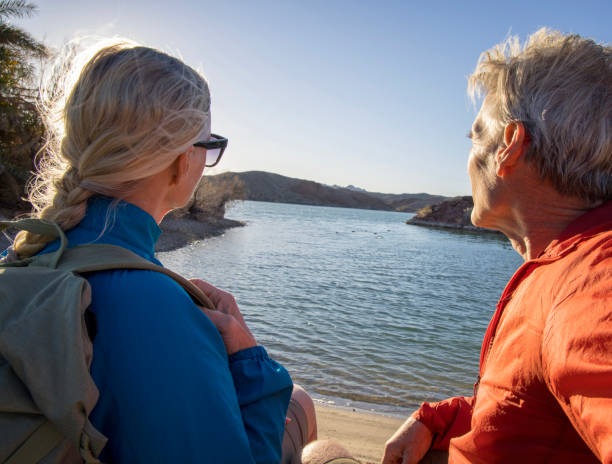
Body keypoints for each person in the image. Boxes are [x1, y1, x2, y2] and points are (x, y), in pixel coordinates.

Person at [2, 41, 308, 463]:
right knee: (303, 406)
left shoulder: (28, 253)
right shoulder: (152, 306)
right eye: (209, 145)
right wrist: (253, 364)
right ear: (181, 159)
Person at [382, 28, 612, 464]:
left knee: (319, 451)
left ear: (510, 146)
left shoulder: (592, 284)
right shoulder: (565, 263)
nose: (469, 157)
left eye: (475, 136)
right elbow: (541, 410)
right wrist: (444, 419)